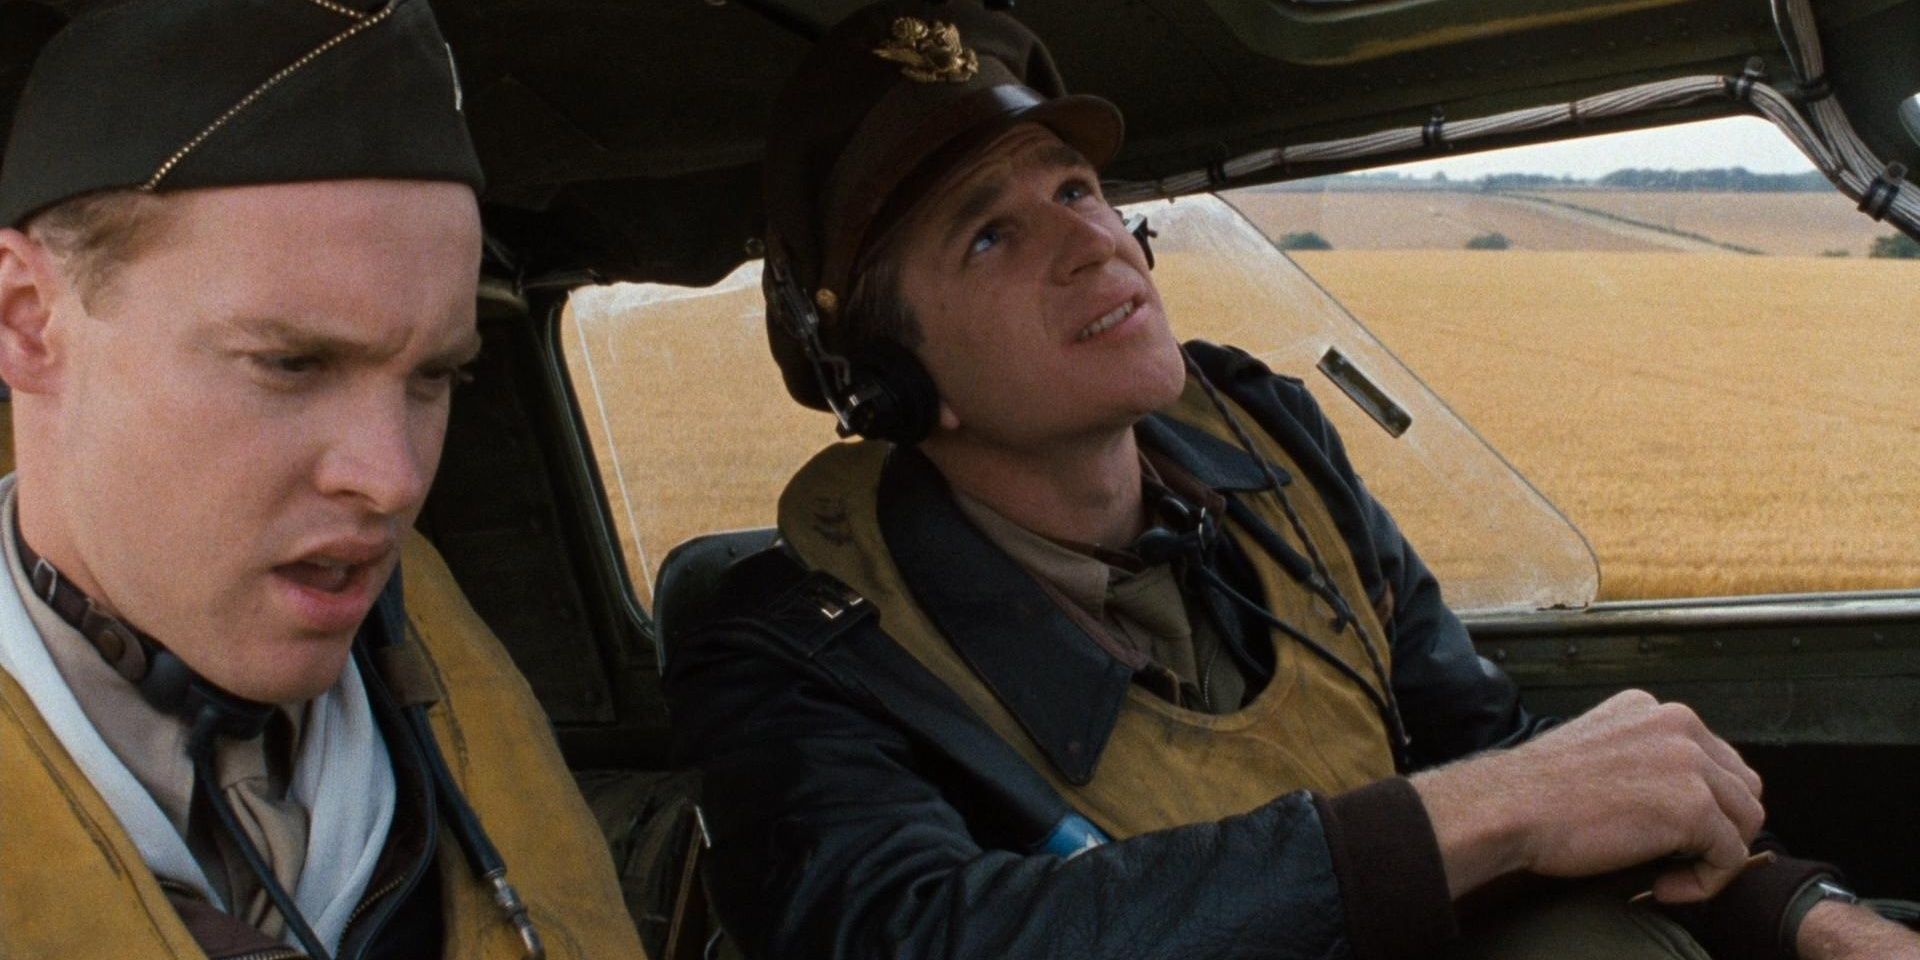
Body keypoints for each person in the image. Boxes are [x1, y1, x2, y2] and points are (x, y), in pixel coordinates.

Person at [662, 3, 1920, 959]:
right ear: (883, 374)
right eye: (993, 233)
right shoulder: (792, 645)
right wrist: (1472, 817)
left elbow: (1489, 749)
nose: (1095, 239)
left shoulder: (1273, 454)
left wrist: (1795, 911)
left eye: (1080, 187)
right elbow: (925, 935)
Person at [0, 2, 646, 957]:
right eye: (290, 364)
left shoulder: (458, 716)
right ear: (26, 321)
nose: (391, 482)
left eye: (436, 376)